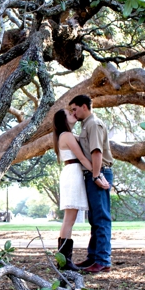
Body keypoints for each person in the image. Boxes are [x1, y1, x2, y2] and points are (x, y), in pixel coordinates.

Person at [68, 94, 113, 273]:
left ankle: (102, 260)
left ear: (84, 106)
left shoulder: (94, 124)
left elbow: (96, 152)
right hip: (93, 174)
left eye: (75, 109)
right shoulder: (86, 125)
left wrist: (96, 176)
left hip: (99, 173)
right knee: (95, 219)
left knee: (101, 218)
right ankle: (93, 257)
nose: (74, 113)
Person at [52, 109, 94, 271]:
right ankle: (64, 260)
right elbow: (82, 158)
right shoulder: (67, 136)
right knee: (69, 218)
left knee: (69, 218)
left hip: (71, 172)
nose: (73, 114)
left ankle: (64, 260)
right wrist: (97, 174)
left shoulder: (65, 136)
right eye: (69, 113)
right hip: (73, 173)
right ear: (63, 119)